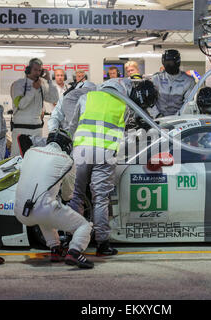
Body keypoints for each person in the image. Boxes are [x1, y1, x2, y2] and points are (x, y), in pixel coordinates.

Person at [67, 78, 156, 255]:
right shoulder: (124, 105)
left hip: (81, 150)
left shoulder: (88, 97)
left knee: (76, 195)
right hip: (105, 154)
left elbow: (72, 126)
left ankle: (71, 238)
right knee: (100, 199)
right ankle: (102, 244)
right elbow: (127, 135)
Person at [14, 130, 94, 269]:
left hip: (20, 210)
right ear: (67, 146)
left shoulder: (30, 152)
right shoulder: (68, 160)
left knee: (45, 217)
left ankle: (55, 249)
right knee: (84, 226)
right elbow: (68, 195)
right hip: (42, 208)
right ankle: (74, 252)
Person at [10, 58, 59, 156]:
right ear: (28, 70)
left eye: (39, 70)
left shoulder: (42, 84)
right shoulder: (18, 84)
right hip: (21, 129)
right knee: (17, 158)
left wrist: (49, 81)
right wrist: (33, 89)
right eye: (35, 70)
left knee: (35, 158)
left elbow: (54, 99)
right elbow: (21, 105)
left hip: (37, 129)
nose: (37, 73)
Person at [151, 49, 195, 117]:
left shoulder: (188, 80)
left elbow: (188, 104)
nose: (169, 65)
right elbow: (150, 101)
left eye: (171, 63)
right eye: (166, 63)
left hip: (179, 119)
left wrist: (176, 118)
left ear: (177, 62)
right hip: (157, 119)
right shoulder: (156, 79)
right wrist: (157, 115)